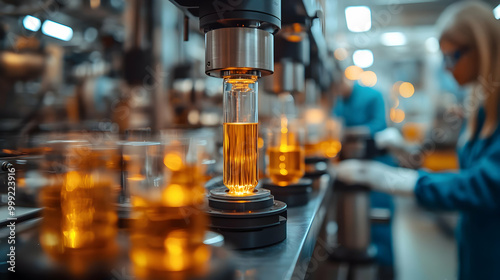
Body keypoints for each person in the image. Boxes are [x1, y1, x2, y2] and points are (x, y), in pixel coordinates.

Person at [336, 2, 500, 280]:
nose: (447, 69)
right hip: (475, 247)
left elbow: (486, 186)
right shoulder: (482, 108)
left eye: (452, 57)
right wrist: (408, 153)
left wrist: (404, 182)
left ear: (480, 47)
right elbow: (468, 174)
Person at [332, 61, 396, 279]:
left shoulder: (373, 95)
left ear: (342, 78)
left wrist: (346, 132)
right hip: (351, 169)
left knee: (378, 227)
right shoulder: (339, 102)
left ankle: (385, 271)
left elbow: (379, 126)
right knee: (354, 230)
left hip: (377, 167)